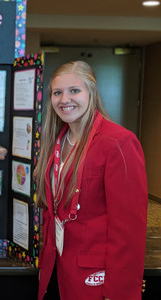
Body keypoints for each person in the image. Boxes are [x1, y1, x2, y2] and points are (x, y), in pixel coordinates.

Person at [34, 61, 147, 300]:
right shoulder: (56, 140)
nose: (65, 99)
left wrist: (119, 293)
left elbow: (128, 232)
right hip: (56, 269)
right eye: (57, 92)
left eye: (74, 90)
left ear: (91, 93)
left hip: (96, 278)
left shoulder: (118, 142)